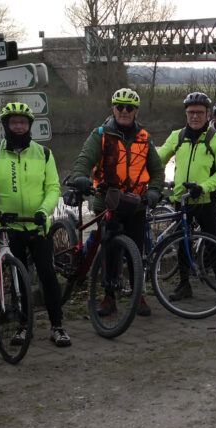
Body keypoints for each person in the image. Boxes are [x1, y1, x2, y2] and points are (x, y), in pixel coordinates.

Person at [0, 102, 69, 347]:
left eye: (23, 123)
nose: (18, 127)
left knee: (48, 276)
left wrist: (44, 211)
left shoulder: (44, 153)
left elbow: (53, 187)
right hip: (9, 227)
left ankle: (57, 326)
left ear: (29, 126)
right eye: (14, 122)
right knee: (18, 278)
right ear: (6, 125)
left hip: (36, 225)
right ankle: (24, 326)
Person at [69, 87, 164, 317]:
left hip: (136, 203)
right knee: (110, 251)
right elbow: (85, 159)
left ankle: (137, 294)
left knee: (136, 251)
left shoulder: (145, 138)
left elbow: (157, 171)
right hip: (108, 202)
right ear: (113, 109)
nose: (124, 111)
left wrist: (154, 191)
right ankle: (108, 296)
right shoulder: (101, 134)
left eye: (129, 108)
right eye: (119, 106)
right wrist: (80, 179)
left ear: (136, 112)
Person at [156, 92, 216, 303]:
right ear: (186, 114)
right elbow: (157, 160)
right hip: (183, 200)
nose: (195, 116)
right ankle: (184, 285)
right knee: (183, 244)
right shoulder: (177, 136)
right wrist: (154, 183)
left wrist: (204, 187)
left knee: (213, 243)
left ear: (208, 114)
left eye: (199, 112)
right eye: (191, 113)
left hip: (206, 200)